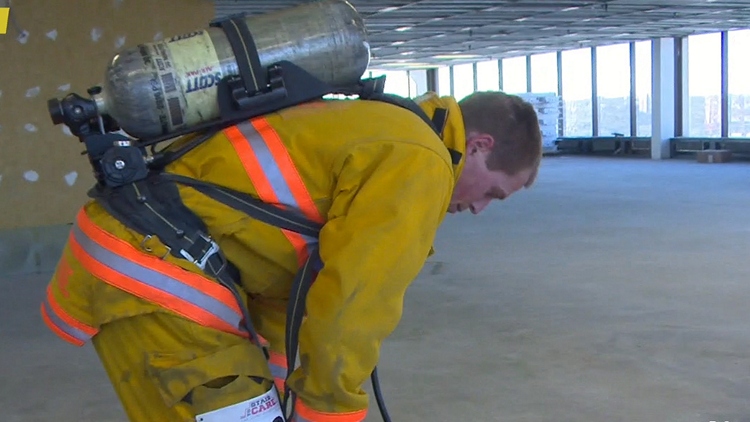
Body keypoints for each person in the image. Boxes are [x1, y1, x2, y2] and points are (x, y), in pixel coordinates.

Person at [40, 89, 542, 422]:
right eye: (492, 194)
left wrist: (291, 389)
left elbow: (299, 287)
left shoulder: (383, 127)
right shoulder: (421, 163)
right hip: (157, 279)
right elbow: (353, 307)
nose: (478, 209)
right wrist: (327, 409)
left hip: (151, 261)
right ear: (478, 145)